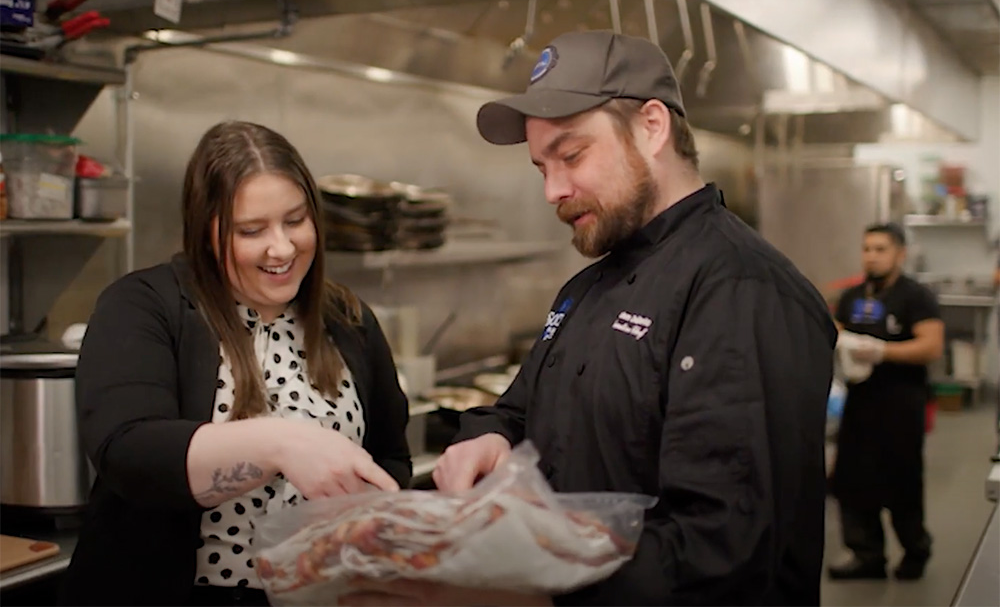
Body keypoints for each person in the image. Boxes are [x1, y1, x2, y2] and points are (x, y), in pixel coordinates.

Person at [342, 30, 837, 607]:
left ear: (652, 126)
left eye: (572, 155)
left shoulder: (742, 291)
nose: (553, 189)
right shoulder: (586, 289)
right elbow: (518, 411)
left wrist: (525, 585)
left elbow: (727, 552)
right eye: (540, 167)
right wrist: (487, 439)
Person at [60, 121, 412, 606]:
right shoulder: (145, 305)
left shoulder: (347, 318)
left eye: (295, 221)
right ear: (207, 231)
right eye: (252, 230)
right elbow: (129, 451)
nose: (282, 248)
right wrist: (282, 444)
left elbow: (390, 456)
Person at [828, 223, 944, 581]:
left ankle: (915, 550)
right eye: (866, 249)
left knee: (902, 482)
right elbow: (834, 330)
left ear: (899, 254)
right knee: (852, 481)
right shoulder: (852, 298)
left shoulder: (915, 296)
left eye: (880, 249)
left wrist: (881, 351)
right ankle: (867, 555)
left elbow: (931, 346)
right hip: (860, 405)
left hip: (901, 405)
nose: (871, 256)